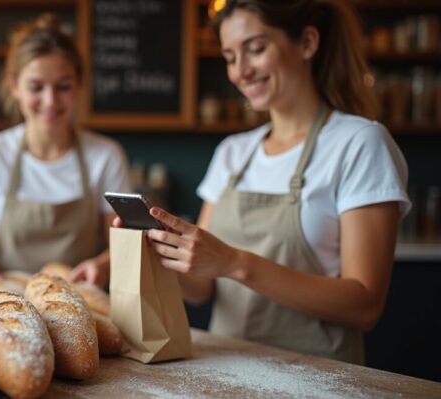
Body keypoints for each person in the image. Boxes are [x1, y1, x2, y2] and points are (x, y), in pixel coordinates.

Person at [123, 0, 410, 364]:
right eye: (229, 57)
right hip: (225, 369)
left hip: (321, 376)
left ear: (307, 43)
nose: (240, 71)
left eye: (255, 49)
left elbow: (365, 305)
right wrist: (157, 251)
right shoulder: (233, 152)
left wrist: (235, 262)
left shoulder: (359, 143)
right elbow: (200, 288)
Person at [0, 14, 131, 288]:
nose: (50, 100)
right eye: (36, 87)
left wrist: (102, 265)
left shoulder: (106, 155)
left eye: (63, 87)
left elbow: (122, 246)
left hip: (80, 303)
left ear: (80, 85)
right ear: (14, 87)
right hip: (7, 303)